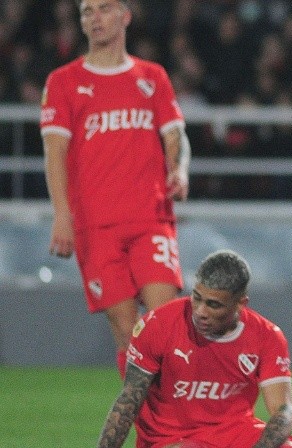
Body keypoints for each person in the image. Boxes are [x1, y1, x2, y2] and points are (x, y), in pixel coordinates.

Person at [40, 0, 191, 378]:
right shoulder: (63, 82)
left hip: (151, 217)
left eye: (104, 9)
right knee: (127, 332)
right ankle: (151, 430)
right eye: (87, 12)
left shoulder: (152, 76)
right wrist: (61, 214)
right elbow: (54, 151)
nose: (95, 18)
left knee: (164, 327)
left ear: (125, 16)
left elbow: (176, 134)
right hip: (96, 226)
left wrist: (181, 168)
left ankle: (176, 426)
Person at [97, 249, 292, 448]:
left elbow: (283, 411)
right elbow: (128, 401)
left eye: (213, 305)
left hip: (234, 432)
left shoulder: (266, 336)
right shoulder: (159, 324)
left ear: (240, 304)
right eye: (197, 297)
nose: (200, 312)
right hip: (171, 437)